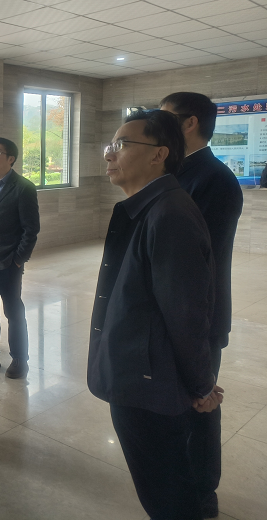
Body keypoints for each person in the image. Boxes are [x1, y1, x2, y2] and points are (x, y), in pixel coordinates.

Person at [89, 109, 224, 520]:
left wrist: (202, 385)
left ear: (159, 154)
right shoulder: (148, 208)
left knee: (167, 496)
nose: (109, 154)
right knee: (164, 487)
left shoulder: (169, 214)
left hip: (148, 386)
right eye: (110, 145)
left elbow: (186, 314)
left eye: (121, 145)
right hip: (138, 374)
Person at [160, 92, 243, 518]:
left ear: (189, 123)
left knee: (201, 403)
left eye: (166, 118)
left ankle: (203, 490)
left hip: (199, 316)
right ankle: (179, 478)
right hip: (171, 311)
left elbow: (193, 260)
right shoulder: (177, 172)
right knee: (177, 402)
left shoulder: (215, 180)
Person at [0, 138, 39, 378]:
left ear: (11, 159)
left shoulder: (23, 187)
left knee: (13, 311)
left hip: (8, 262)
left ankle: (20, 359)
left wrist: (18, 258)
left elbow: (31, 229)